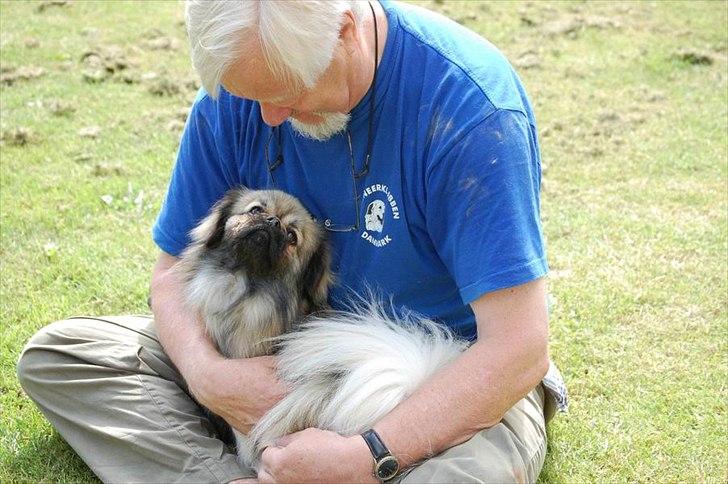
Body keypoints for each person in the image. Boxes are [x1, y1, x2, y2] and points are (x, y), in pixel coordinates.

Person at [17, 1, 568, 482]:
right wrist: (210, 376)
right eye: (248, 94)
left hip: (437, 376)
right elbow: (170, 274)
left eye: (285, 92)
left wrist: (367, 454)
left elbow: (517, 350)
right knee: (64, 357)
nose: (269, 116)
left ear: (346, 31)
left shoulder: (470, 114)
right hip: (262, 362)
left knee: (469, 474)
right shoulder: (236, 99)